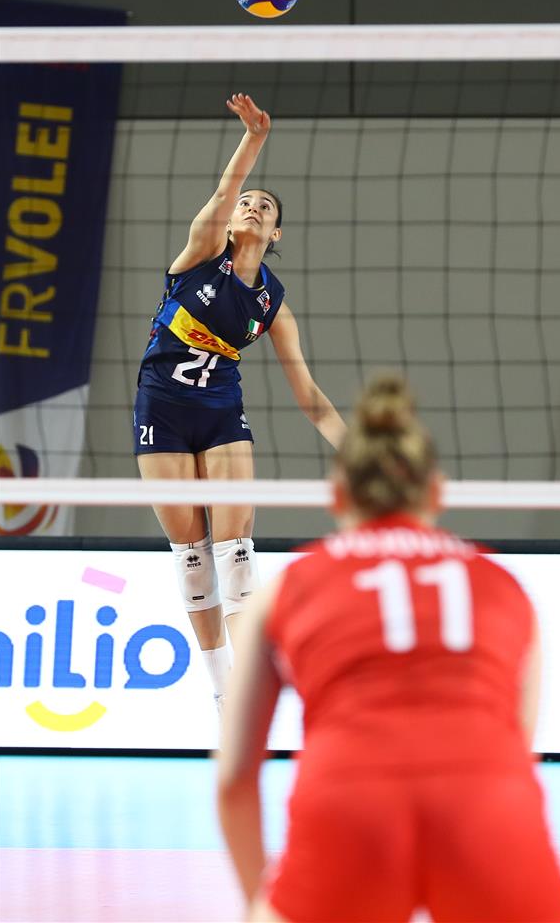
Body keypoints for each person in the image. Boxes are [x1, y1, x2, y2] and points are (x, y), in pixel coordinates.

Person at [218, 374, 560, 923]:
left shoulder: (288, 589)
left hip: (348, 805)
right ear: (437, 492)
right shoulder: (506, 588)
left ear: (337, 495)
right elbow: (518, 746)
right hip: (486, 806)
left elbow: (235, 778)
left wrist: (257, 906)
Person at [133, 93, 346, 712]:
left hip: (221, 412)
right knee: (193, 558)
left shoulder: (272, 304)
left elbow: (310, 398)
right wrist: (254, 138)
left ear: (275, 233)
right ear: (230, 223)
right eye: (247, 203)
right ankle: (224, 691)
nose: (252, 206)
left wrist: (360, 452)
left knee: (237, 554)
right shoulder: (203, 250)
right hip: (161, 409)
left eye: (265, 207)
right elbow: (227, 190)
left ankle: (253, 690)